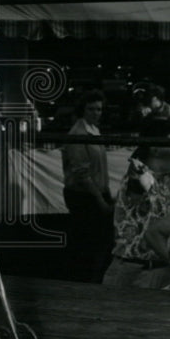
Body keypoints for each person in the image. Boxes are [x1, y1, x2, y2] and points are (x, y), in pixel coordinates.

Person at [103, 118, 170, 289]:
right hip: (133, 272)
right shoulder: (138, 175)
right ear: (155, 149)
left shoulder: (169, 178)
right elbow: (137, 178)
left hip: (161, 271)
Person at [61, 90, 114, 282]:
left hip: (95, 192)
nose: (96, 113)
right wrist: (101, 200)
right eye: (91, 109)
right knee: (88, 243)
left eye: (99, 109)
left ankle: (91, 279)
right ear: (83, 110)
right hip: (83, 196)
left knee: (96, 242)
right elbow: (82, 173)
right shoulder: (79, 133)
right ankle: (85, 281)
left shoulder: (93, 130)